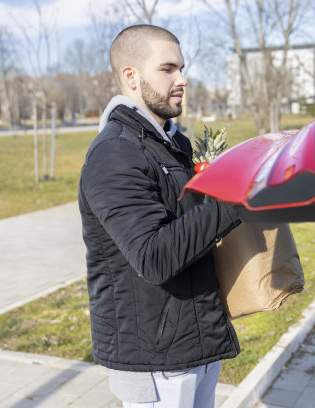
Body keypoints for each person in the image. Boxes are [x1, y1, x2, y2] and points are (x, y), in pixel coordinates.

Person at [78, 24, 242, 408]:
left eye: (182, 68)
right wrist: (234, 200)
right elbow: (153, 257)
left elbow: (190, 227)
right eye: (168, 69)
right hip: (154, 360)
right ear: (131, 76)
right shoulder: (115, 154)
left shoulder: (173, 144)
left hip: (194, 340)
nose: (182, 79)